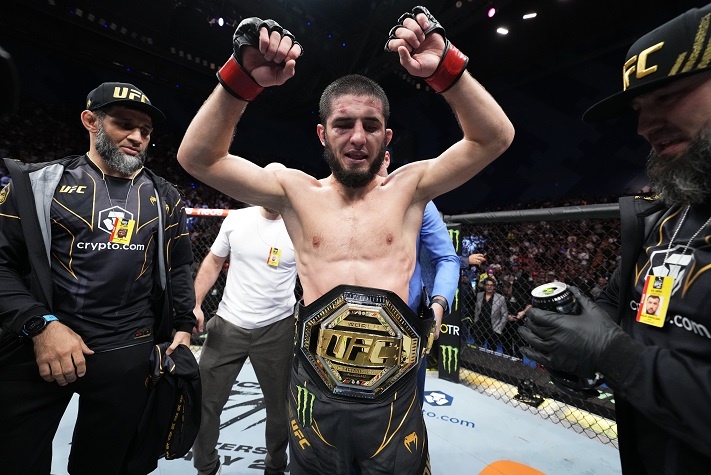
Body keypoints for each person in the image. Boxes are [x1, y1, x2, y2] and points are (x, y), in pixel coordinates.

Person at [177, 7, 514, 474]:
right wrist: (241, 81)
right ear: (322, 134)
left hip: (393, 396)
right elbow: (198, 157)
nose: (358, 137)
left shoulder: (412, 188)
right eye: (343, 124)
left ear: (386, 136)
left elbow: (494, 138)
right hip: (316, 393)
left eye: (370, 126)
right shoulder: (295, 193)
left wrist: (447, 71)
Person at [519, 4, 711, 473]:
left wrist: (611, 355)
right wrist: (568, 336)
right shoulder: (670, 215)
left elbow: (619, 350)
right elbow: (615, 305)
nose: (644, 127)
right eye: (640, 109)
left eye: (668, 96)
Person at [0, 81, 196, 474]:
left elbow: (179, 266)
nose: (137, 137)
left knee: (109, 465)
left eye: (145, 131)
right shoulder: (38, 183)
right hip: (39, 345)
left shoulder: (165, 196)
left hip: (127, 348)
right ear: (91, 121)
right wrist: (41, 325)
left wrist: (183, 325)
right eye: (124, 124)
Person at [191, 167, 297, 475]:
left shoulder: (299, 227)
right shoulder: (236, 220)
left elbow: (312, 274)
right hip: (228, 324)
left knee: (280, 408)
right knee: (206, 403)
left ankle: (275, 466)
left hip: (277, 327)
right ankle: (206, 467)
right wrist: (195, 303)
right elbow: (214, 260)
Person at [380, 151, 460, 404]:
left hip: (406, 326)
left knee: (407, 413)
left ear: (386, 159)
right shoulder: (337, 199)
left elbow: (447, 258)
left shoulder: (416, 202)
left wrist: (439, 303)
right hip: (345, 326)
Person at [472, 277, 509, 352]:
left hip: (493, 327)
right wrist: (476, 322)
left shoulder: (500, 298)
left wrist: (498, 329)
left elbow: (505, 314)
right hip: (480, 325)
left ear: (494, 287)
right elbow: (477, 310)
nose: (489, 287)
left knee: (491, 351)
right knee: (477, 349)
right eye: (487, 285)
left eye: (491, 285)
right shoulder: (479, 295)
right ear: (484, 286)